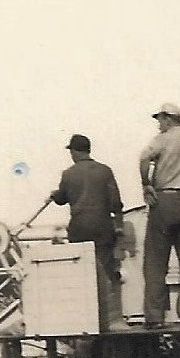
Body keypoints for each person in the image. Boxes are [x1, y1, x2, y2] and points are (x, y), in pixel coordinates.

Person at [139, 103, 180, 327]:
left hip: (165, 200)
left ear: (168, 119)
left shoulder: (162, 139)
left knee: (156, 262)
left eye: (160, 119)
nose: (158, 124)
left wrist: (145, 184)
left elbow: (143, 159)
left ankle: (155, 317)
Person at [50, 134, 127, 329]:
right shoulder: (104, 171)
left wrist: (54, 194)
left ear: (75, 151)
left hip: (79, 230)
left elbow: (61, 199)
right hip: (102, 227)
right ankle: (110, 319)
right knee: (107, 270)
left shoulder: (68, 174)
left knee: (82, 274)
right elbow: (115, 203)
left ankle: (85, 319)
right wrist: (119, 226)